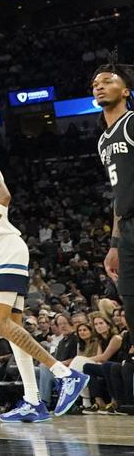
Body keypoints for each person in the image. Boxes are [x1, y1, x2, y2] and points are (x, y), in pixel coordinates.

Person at [0, 128, 87, 421]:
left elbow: (3, 195)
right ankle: (33, 400)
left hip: (3, 248)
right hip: (2, 252)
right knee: (13, 329)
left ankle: (65, 374)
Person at [98, 65, 134, 324]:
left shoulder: (132, 122)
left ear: (125, 91)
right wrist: (114, 244)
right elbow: (117, 193)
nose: (99, 86)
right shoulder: (103, 141)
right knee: (129, 300)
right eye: (95, 85)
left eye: (107, 81)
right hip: (127, 228)